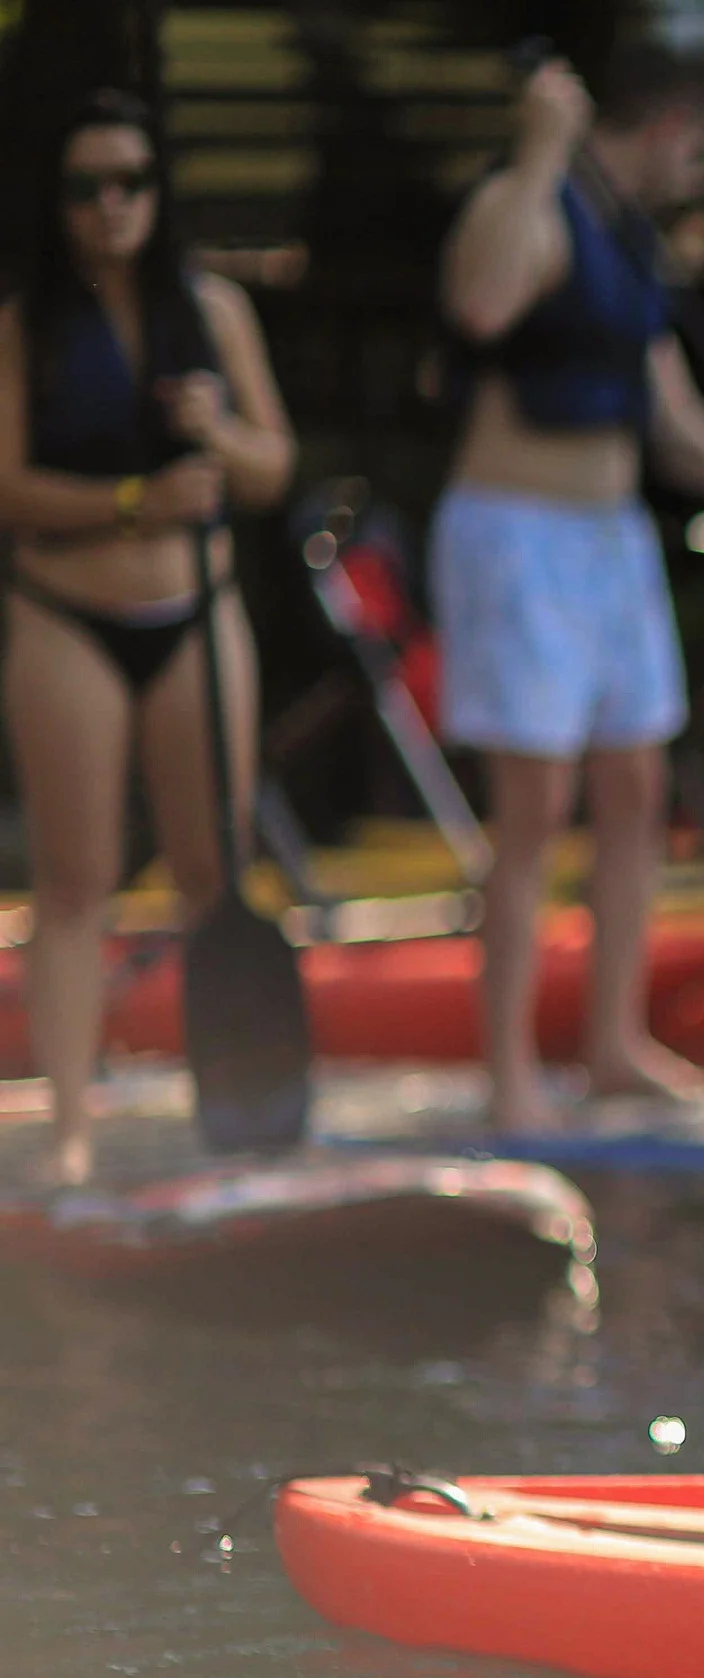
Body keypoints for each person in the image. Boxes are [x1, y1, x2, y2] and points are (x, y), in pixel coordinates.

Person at [434, 50, 704, 1132]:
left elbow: (668, 421)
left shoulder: (633, 237)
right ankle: (508, 1073)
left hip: (609, 535)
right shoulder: (525, 202)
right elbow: (483, 302)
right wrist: (539, 147)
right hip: (515, 534)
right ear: (662, 123)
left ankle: (614, 1045)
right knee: (532, 811)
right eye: (699, 139)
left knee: (634, 792)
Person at [0, 91, 297, 1188]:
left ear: (157, 194)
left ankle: (236, 1108)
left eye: (128, 182)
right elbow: (7, 485)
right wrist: (136, 500)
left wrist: (217, 433)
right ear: (60, 202)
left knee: (215, 868)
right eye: (85, 187)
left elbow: (273, 469)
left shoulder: (213, 312)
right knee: (76, 878)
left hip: (198, 613)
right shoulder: (25, 324)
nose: (109, 205)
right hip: (66, 612)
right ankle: (69, 1128)